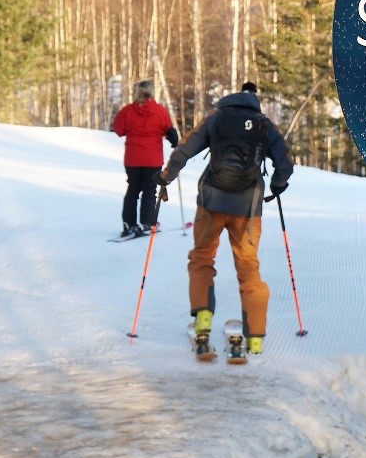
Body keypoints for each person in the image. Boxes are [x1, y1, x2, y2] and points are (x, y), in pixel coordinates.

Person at [156, 81, 293, 357]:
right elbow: (285, 164)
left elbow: (185, 148)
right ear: (255, 100)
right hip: (248, 208)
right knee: (248, 265)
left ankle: (203, 319)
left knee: (202, 257)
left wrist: (165, 178)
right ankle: (254, 338)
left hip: (210, 202)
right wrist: (278, 185)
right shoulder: (264, 124)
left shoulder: (216, 119)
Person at [112, 79, 179, 238]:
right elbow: (170, 132)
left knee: (132, 190)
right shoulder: (159, 111)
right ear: (152, 91)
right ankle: (147, 223)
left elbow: (118, 130)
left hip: (132, 158)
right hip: (152, 159)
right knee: (149, 191)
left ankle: (129, 224)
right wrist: (174, 140)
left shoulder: (128, 110)